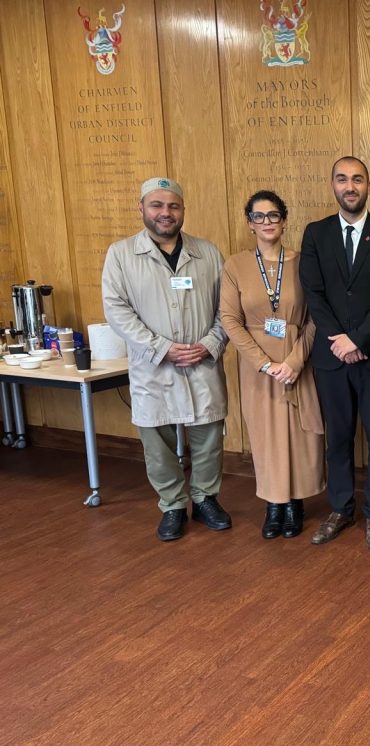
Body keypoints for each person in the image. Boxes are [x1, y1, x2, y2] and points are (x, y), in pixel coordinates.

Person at [102, 177, 231, 542]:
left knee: (208, 436)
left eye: (173, 206)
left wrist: (209, 343)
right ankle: (172, 504)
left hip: (202, 361)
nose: (165, 213)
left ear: (183, 211)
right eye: (157, 205)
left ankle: (206, 500)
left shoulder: (207, 253)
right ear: (141, 209)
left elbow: (228, 309)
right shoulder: (122, 254)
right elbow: (116, 310)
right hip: (153, 366)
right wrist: (160, 346)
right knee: (155, 440)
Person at [298, 156, 370, 549]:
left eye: (357, 179)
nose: (350, 186)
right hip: (331, 357)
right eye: (342, 179)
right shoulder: (315, 234)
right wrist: (339, 340)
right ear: (332, 185)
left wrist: (358, 341)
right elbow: (315, 293)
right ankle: (341, 508)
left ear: (369, 186)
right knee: (339, 438)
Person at [220, 190, 325, 539]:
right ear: (250, 222)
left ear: (284, 219)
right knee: (266, 437)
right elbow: (229, 320)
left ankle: (295, 503)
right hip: (257, 367)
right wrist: (264, 364)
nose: (266, 222)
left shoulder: (303, 261)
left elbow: (315, 318)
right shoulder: (235, 265)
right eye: (259, 216)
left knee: (298, 435)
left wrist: (295, 361)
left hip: (297, 361)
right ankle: (273, 504)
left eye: (273, 215)